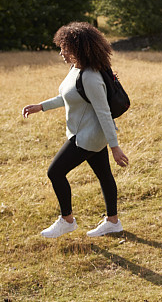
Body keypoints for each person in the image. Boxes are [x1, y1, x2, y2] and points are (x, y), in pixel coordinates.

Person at [22, 22, 129, 238]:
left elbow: (104, 113)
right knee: (104, 175)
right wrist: (41, 106)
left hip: (88, 138)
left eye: (65, 48)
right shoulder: (76, 69)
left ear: (77, 48)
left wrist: (115, 147)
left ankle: (67, 220)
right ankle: (113, 222)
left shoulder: (90, 76)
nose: (61, 52)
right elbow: (67, 97)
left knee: (55, 172)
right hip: (85, 134)